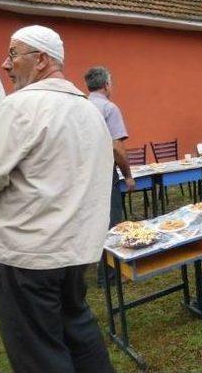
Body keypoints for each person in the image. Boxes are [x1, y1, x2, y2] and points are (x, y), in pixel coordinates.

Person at [0, 25, 115, 372]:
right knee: (78, 331)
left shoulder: (19, 107)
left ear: (41, 60)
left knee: (38, 354)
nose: (5, 64)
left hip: (27, 255)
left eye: (13, 54)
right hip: (75, 252)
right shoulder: (89, 110)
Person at [84, 66, 135, 286]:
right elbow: (117, 148)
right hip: (104, 173)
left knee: (92, 222)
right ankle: (109, 276)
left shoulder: (82, 105)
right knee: (112, 224)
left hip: (83, 174)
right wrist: (128, 175)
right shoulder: (109, 108)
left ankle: (92, 265)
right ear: (106, 85)